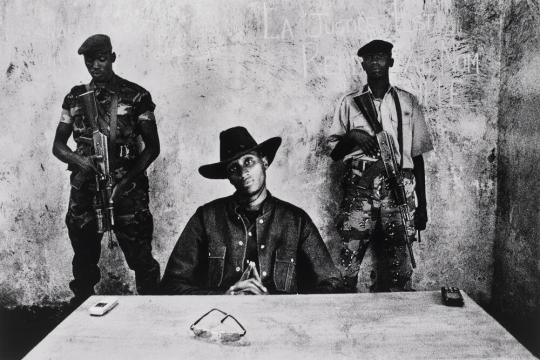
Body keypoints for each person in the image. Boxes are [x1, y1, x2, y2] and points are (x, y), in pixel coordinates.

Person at [160, 126, 344, 295]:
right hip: (221, 321)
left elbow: (331, 283)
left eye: (249, 162)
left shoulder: (296, 220)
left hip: (280, 324)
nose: (243, 172)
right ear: (229, 178)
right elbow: (171, 284)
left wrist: (274, 301)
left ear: (264, 162)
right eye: (234, 168)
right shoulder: (206, 217)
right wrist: (224, 298)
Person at [52, 34, 161, 303]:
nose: (95, 66)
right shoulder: (75, 97)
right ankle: (78, 316)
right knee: (84, 259)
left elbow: (152, 148)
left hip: (127, 189)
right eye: (89, 61)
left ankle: (154, 311)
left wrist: (126, 182)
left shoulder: (137, 96)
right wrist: (79, 162)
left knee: (141, 259)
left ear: (112, 57)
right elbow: (58, 145)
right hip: (86, 188)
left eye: (101, 59)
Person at [328, 40, 433, 291]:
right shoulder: (349, 102)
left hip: (399, 188)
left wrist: (422, 206)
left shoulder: (408, 102)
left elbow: (416, 156)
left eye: (381, 57)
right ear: (362, 64)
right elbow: (334, 153)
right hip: (360, 188)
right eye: (370, 58)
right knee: (348, 260)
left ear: (391, 62)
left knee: (401, 264)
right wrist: (353, 136)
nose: (375, 62)